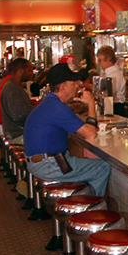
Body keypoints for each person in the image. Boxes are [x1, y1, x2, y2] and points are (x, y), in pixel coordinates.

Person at [23, 63, 110, 196]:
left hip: (40, 162)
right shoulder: (57, 108)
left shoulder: (50, 103)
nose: (77, 85)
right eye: (73, 82)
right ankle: (89, 208)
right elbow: (91, 134)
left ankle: (81, 199)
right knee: (102, 168)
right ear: (63, 88)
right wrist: (91, 104)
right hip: (49, 165)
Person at [0, 58, 35, 145]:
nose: (32, 73)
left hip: (19, 133)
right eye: (29, 70)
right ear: (20, 71)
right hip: (18, 135)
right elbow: (19, 115)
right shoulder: (12, 89)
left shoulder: (14, 87)